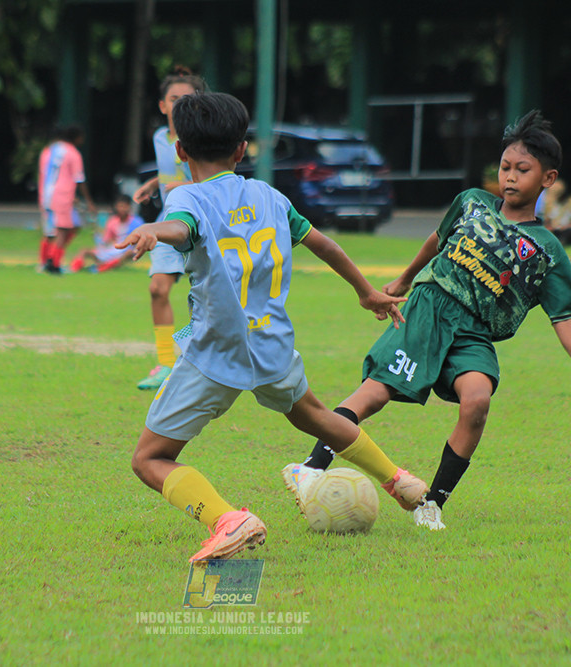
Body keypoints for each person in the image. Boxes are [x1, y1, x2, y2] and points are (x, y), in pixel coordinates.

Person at [115, 92, 428, 562]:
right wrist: (365, 292)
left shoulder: (186, 196)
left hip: (216, 353)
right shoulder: (269, 196)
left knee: (149, 458)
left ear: (180, 150)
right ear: (242, 149)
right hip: (272, 344)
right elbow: (324, 245)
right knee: (313, 415)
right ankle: (400, 480)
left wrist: (153, 231)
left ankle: (228, 520)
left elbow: (181, 227)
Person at [284, 110, 571, 531]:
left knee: (477, 401)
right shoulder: (472, 202)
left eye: (522, 170)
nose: (510, 177)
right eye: (505, 167)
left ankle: (431, 504)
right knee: (375, 393)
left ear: (548, 179)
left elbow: (562, 316)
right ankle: (310, 468)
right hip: (428, 309)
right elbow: (437, 240)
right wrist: (405, 279)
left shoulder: (547, 250)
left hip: (474, 332)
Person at [131, 66, 206, 390]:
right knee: (157, 289)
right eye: (174, 99)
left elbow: (215, 179)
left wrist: (182, 185)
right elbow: (169, 172)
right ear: (162, 105)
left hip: (201, 223)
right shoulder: (160, 137)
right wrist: (154, 184)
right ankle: (165, 363)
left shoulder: (202, 137)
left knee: (207, 299)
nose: (179, 105)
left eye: (187, 99)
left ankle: (198, 359)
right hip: (167, 221)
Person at [38, 124, 97, 274]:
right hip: (62, 195)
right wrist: (89, 201)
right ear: (77, 138)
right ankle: (54, 262)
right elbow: (79, 179)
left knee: (52, 230)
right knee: (64, 230)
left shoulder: (48, 150)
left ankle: (45, 261)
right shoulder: (72, 153)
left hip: (46, 194)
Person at [68, 194, 143, 273]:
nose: (122, 209)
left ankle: (106, 267)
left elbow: (140, 241)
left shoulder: (136, 222)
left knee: (129, 253)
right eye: (120, 206)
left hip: (125, 250)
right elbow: (107, 239)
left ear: (129, 207)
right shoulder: (113, 221)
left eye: (124, 206)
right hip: (113, 249)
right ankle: (74, 269)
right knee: (84, 251)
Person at [543, 179, 571, 244]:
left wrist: (564, 228)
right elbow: (547, 222)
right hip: (555, 232)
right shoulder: (550, 204)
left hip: (569, 232)